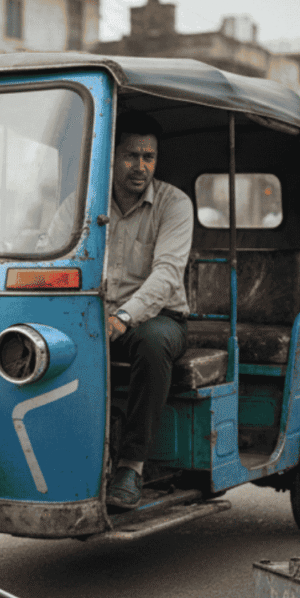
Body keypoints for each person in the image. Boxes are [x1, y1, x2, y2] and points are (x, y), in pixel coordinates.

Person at [102, 111, 195, 509]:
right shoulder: (86, 201)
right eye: (131, 155)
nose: (140, 166)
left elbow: (167, 275)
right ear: (112, 156)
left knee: (153, 344)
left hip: (158, 318)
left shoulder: (174, 204)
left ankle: (131, 465)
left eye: (149, 157)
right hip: (96, 315)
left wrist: (124, 317)